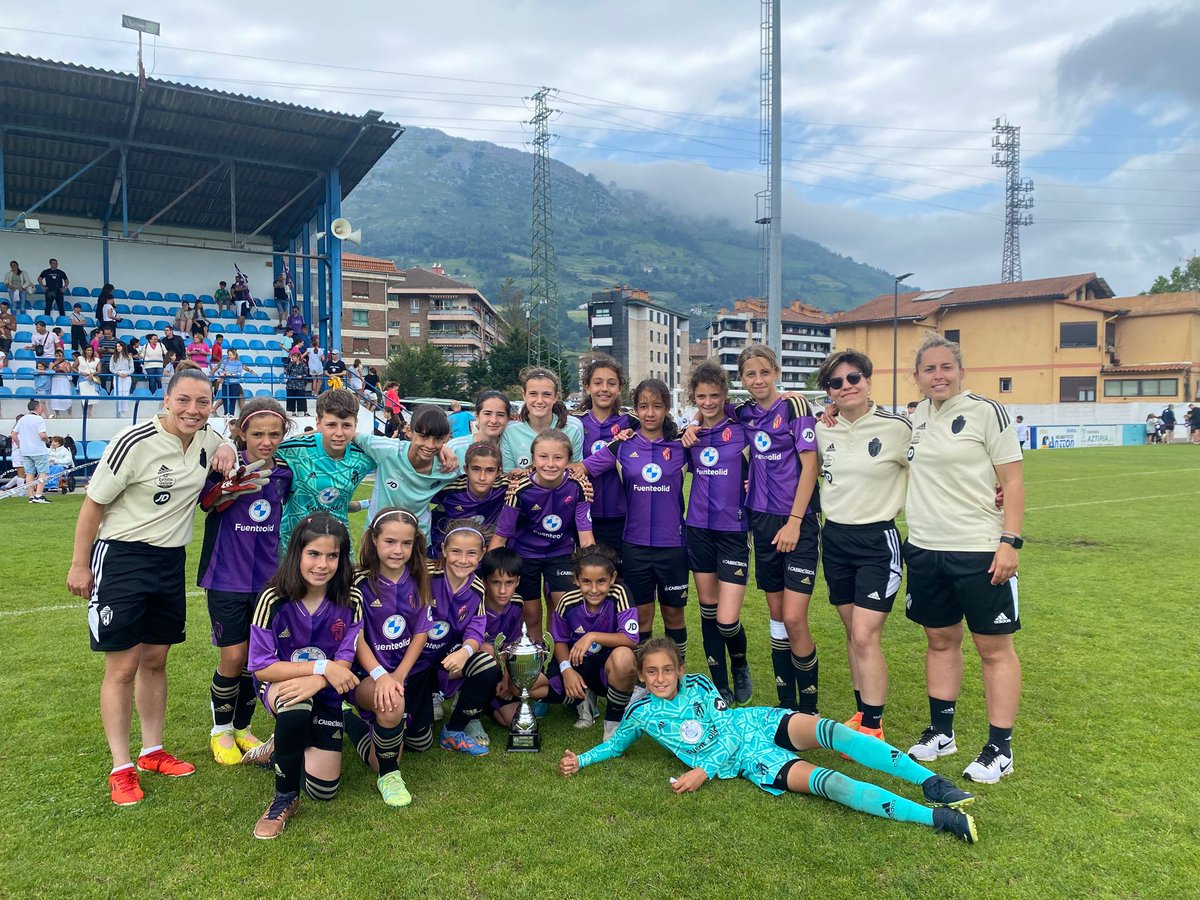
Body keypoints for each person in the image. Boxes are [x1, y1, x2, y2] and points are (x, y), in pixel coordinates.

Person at [560, 637, 978, 844]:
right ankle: (937, 819)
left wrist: (704, 770)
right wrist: (582, 759)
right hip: (752, 761)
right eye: (651, 673)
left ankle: (930, 782)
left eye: (667, 670)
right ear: (640, 676)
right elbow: (614, 746)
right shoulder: (641, 714)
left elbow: (728, 731)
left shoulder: (701, 686)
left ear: (680, 669)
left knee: (833, 732)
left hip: (754, 723)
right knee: (831, 784)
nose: (660, 679)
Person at [65, 365, 238, 806]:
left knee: (156, 660)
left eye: (202, 403)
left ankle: (152, 751)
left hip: (169, 561)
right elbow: (92, 505)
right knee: (121, 667)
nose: (193, 410)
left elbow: (230, 442)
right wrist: (79, 565)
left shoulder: (208, 439)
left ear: (212, 406)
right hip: (122, 556)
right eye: (184, 400)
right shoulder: (133, 442)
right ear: (167, 400)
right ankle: (121, 767)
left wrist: (230, 448)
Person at [903, 333, 1025, 784]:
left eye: (945, 367)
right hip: (926, 547)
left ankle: (1000, 747)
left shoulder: (986, 411)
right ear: (916, 377)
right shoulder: (915, 418)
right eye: (929, 369)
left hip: (979, 548)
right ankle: (942, 731)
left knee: (992, 648)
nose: (938, 375)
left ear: (960, 371)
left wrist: (1010, 540)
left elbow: (1011, 482)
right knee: (939, 639)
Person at [814, 350, 910, 742]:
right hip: (835, 538)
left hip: (877, 541)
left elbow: (936, 466)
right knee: (853, 632)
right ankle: (860, 713)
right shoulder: (823, 428)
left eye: (853, 378)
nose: (846, 386)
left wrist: (995, 488)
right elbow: (783, 401)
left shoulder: (898, 428)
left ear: (868, 380)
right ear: (829, 393)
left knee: (866, 635)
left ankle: (873, 725)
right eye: (836, 383)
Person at [247, 513, 363, 839]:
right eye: (313, 554)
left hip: (324, 689)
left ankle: (280, 745)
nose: (322, 564)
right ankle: (284, 798)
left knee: (324, 790)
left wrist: (322, 677)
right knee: (295, 707)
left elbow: (345, 658)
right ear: (297, 552)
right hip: (279, 683)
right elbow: (261, 666)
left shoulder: (351, 598)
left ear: (342, 559)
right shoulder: (272, 598)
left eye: (332, 555)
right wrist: (321, 667)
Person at [197, 398, 293, 765]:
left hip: (268, 582)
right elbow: (205, 504)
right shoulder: (226, 465)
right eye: (257, 434)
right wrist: (226, 489)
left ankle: (241, 727)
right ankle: (220, 731)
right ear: (241, 432)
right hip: (225, 577)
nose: (266, 441)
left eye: (274, 434)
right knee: (233, 658)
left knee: (257, 661)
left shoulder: (284, 472)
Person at [735, 345, 821, 713]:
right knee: (776, 617)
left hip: (797, 521)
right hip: (762, 520)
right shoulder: (743, 413)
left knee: (793, 616)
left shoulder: (794, 407)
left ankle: (810, 707)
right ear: (741, 379)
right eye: (750, 374)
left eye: (764, 372)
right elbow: (712, 420)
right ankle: (787, 704)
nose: (758, 380)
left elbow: (811, 466)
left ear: (777, 371)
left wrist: (795, 522)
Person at [581, 378, 690, 660]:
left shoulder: (682, 447)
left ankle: (678, 676)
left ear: (667, 408)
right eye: (643, 406)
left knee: (673, 614)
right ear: (636, 409)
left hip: (673, 546)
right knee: (642, 615)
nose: (650, 413)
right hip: (635, 545)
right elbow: (579, 469)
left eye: (656, 406)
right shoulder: (622, 446)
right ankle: (643, 682)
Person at [343, 508, 435, 807]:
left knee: (413, 744)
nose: (398, 550)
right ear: (374, 540)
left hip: (403, 677)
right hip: (366, 676)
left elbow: (421, 632)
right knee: (392, 703)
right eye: (390, 542)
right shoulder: (357, 581)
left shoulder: (420, 578)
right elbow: (354, 637)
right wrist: (382, 677)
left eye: (406, 544)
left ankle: (348, 721)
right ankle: (390, 776)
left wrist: (399, 675)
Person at [683, 361, 752, 706]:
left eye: (714, 395)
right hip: (697, 529)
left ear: (724, 395)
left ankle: (739, 663)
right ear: (694, 398)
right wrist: (691, 425)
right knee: (708, 611)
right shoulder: (690, 436)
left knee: (727, 620)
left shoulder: (740, 426)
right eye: (701, 397)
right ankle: (719, 686)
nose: (708, 402)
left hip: (733, 530)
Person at [491, 428, 595, 641]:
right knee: (531, 615)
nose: (550, 464)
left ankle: (559, 663)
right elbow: (501, 536)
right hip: (525, 555)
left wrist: (593, 569)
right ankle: (535, 664)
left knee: (563, 608)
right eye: (543, 457)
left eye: (558, 457)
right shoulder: (519, 489)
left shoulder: (579, 486)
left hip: (561, 553)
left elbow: (586, 537)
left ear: (568, 460)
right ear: (533, 459)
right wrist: (487, 572)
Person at [547, 544, 639, 740]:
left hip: (606, 666)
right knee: (537, 687)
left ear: (612, 579)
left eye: (602, 581)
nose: (594, 589)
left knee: (624, 657)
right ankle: (582, 699)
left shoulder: (619, 593)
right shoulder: (567, 601)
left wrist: (591, 636)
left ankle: (613, 724)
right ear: (576, 580)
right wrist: (566, 670)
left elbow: (630, 639)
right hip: (578, 665)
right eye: (587, 582)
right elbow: (559, 640)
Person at [274, 388, 376, 554]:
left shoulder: (365, 456)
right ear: (318, 422)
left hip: (337, 548)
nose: (339, 433)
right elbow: (253, 450)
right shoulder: (293, 449)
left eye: (346, 425)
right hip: (294, 548)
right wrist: (227, 447)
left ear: (356, 424)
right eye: (331, 425)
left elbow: (400, 457)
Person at [574, 354, 637, 557]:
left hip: (622, 516)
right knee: (585, 580)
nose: (604, 389)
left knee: (620, 580)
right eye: (598, 383)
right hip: (580, 515)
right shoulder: (574, 424)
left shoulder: (632, 423)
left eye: (611, 383)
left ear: (619, 388)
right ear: (587, 387)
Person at [430, 441, 508, 555]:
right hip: (448, 548)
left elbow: (535, 480)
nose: (482, 477)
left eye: (490, 470)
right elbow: (419, 497)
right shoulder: (449, 489)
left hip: (483, 548)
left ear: (498, 472)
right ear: (466, 469)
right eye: (476, 469)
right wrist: (441, 448)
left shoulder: (505, 487)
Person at [501, 366, 584, 471]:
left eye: (546, 394)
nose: (539, 400)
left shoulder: (573, 427)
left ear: (556, 397)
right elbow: (508, 474)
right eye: (533, 394)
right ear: (524, 395)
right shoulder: (510, 431)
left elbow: (575, 471)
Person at [445, 390, 511, 465]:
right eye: (487, 414)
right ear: (477, 417)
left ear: (508, 419)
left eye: (500, 415)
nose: (494, 420)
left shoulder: (512, 449)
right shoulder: (455, 448)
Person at [12, 399, 50, 503]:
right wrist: (48, 440)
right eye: (41, 406)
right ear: (37, 407)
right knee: (43, 472)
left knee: (29, 473)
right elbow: (42, 435)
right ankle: (39, 495)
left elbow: (13, 434)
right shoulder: (39, 419)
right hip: (38, 450)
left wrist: (20, 445)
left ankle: (31, 496)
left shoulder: (22, 419)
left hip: (25, 451)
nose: (42, 408)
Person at [214, 347, 254, 418]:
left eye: (231, 354)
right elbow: (220, 368)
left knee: (233, 398)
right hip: (225, 382)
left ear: (235, 355)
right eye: (229, 354)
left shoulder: (238, 362)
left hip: (234, 383)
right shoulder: (225, 361)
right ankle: (226, 412)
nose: (230, 356)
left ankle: (231, 413)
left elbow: (239, 372)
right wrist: (222, 373)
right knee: (225, 397)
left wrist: (231, 374)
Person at [110, 341, 135, 418]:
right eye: (117, 346)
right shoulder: (113, 356)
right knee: (118, 392)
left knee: (125, 393)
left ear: (123, 347)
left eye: (120, 346)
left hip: (126, 376)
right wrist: (117, 373)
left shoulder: (129, 357)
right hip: (117, 376)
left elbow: (132, 368)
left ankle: (124, 411)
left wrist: (127, 373)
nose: (118, 348)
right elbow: (111, 368)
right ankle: (118, 411)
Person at [76, 346, 101, 420]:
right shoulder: (80, 358)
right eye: (88, 350)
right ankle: (84, 413)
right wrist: (80, 372)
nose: (89, 352)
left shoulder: (97, 360)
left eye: (91, 350)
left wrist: (92, 374)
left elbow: (99, 370)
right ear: (85, 351)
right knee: (83, 397)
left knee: (91, 397)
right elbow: (73, 367)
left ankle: (89, 413)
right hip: (82, 379)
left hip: (92, 380)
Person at [284, 349, 310, 415]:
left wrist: (302, 376)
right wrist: (291, 363)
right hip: (291, 384)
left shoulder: (303, 365)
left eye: (294, 357)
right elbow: (287, 371)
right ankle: (292, 411)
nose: (293, 358)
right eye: (292, 357)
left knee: (301, 398)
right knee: (291, 398)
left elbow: (306, 373)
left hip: (300, 385)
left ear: (298, 358)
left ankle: (302, 411)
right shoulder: (290, 364)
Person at [49, 350, 73, 418]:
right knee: (55, 396)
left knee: (67, 395)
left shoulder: (67, 363)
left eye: (60, 355)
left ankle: (70, 414)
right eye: (56, 356)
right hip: (55, 380)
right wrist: (54, 369)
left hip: (64, 379)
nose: (58, 357)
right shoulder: (52, 363)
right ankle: (57, 414)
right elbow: (50, 372)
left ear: (63, 356)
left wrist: (63, 369)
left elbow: (69, 372)